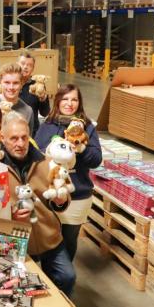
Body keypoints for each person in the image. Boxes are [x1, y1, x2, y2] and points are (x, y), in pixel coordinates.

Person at [0, 112, 76, 296]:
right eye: (14, 138)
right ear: (2, 138)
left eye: (24, 138)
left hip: (49, 237)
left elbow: (63, 195)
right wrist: (11, 215)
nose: (20, 144)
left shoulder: (47, 162)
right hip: (16, 241)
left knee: (67, 277)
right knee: (21, 288)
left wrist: (61, 201)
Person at [35, 85, 102, 262]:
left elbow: (96, 160)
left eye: (74, 99)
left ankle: (62, 283)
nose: (69, 103)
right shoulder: (47, 125)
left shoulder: (87, 127)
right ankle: (48, 280)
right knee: (47, 241)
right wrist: (51, 150)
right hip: (50, 192)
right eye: (65, 99)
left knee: (68, 243)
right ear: (57, 101)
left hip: (78, 194)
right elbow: (36, 154)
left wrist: (81, 148)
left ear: (79, 103)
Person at [0, 63, 35, 133]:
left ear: (22, 84)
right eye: (7, 82)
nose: (11, 87)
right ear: (0, 82)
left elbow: (27, 140)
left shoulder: (28, 111)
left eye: (15, 83)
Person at [19, 52, 50, 135]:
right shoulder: (10, 84)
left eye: (29, 65)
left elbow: (45, 113)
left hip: (32, 131)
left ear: (33, 68)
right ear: (17, 64)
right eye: (22, 63)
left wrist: (43, 99)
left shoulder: (37, 86)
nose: (25, 67)